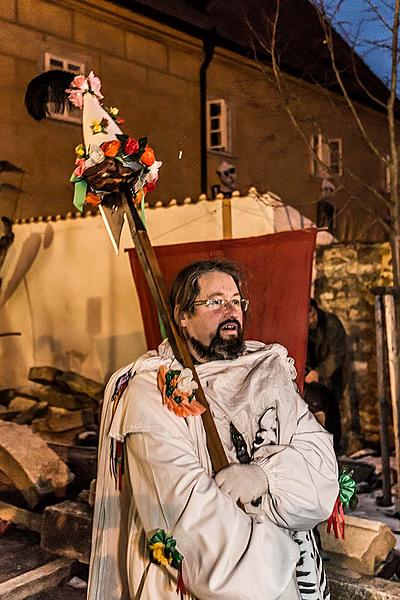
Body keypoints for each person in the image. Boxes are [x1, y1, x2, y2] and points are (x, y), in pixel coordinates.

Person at [88, 259, 339, 600]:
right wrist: (275, 553)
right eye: (215, 301)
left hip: (298, 578)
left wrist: (265, 476)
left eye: (236, 301)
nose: (230, 311)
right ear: (182, 316)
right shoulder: (153, 392)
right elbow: (187, 515)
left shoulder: (266, 371)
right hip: (233, 581)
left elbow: (321, 469)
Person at [305, 298, 347, 452]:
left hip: (332, 374)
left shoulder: (331, 324)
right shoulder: (302, 327)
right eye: (307, 317)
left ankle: (334, 448)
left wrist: (319, 372)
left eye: (312, 314)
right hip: (311, 373)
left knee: (332, 407)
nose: (311, 320)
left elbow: (337, 354)